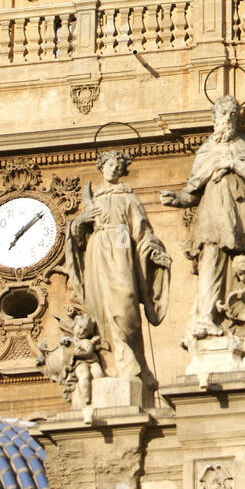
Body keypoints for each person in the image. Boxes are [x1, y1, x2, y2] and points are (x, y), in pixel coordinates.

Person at [160, 97, 245, 340]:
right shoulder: (206, 150)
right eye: (223, 115)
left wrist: (234, 164)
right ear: (214, 119)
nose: (228, 121)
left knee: (240, 269)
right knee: (210, 263)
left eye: (232, 116)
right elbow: (193, 188)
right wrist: (177, 199)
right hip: (212, 218)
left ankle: (237, 319)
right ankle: (206, 317)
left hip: (241, 220)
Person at [64, 151, 170, 386]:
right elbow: (78, 238)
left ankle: (133, 359)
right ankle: (119, 364)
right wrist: (80, 221)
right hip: (96, 252)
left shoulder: (128, 198)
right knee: (100, 307)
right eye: (111, 164)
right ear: (102, 167)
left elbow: (141, 232)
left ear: (123, 171)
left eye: (119, 166)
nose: (114, 169)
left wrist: (152, 251)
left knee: (125, 300)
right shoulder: (93, 198)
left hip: (121, 249)